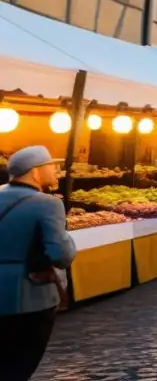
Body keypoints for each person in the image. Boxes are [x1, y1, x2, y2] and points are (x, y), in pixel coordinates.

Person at [0, 146, 77, 381]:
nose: (56, 170)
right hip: (28, 295)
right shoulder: (48, 204)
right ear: (35, 172)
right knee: (20, 364)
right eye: (51, 166)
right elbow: (60, 255)